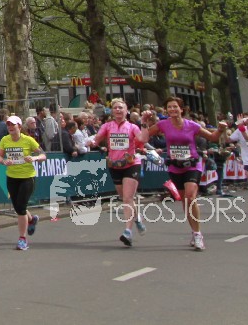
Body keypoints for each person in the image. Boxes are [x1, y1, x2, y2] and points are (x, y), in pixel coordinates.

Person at [145, 96, 228, 251]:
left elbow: (212, 137)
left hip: (192, 165)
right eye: (169, 107)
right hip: (175, 167)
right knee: (185, 202)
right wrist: (145, 122)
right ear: (166, 110)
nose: (172, 109)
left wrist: (221, 129)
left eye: (175, 106)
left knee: (190, 196)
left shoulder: (192, 125)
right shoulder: (163, 125)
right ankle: (194, 231)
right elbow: (143, 137)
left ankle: (198, 234)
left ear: (181, 109)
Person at [88, 98, 149, 247]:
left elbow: (143, 139)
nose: (118, 110)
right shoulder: (107, 126)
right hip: (114, 165)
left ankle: (128, 231)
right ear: (111, 111)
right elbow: (97, 139)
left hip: (131, 164)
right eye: (115, 108)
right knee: (124, 198)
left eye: (121, 108)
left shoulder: (132, 127)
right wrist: (91, 142)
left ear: (126, 111)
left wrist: (144, 123)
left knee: (127, 198)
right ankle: (137, 218)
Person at [0, 116, 44, 250]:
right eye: (8, 125)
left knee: (21, 208)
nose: (10, 127)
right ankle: (31, 219)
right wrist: (3, 161)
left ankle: (22, 239)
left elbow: (43, 155)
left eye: (13, 125)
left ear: (19, 127)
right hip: (12, 177)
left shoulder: (28, 140)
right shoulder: (5, 140)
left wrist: (34, 158)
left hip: (27, 177)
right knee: (18, 207)